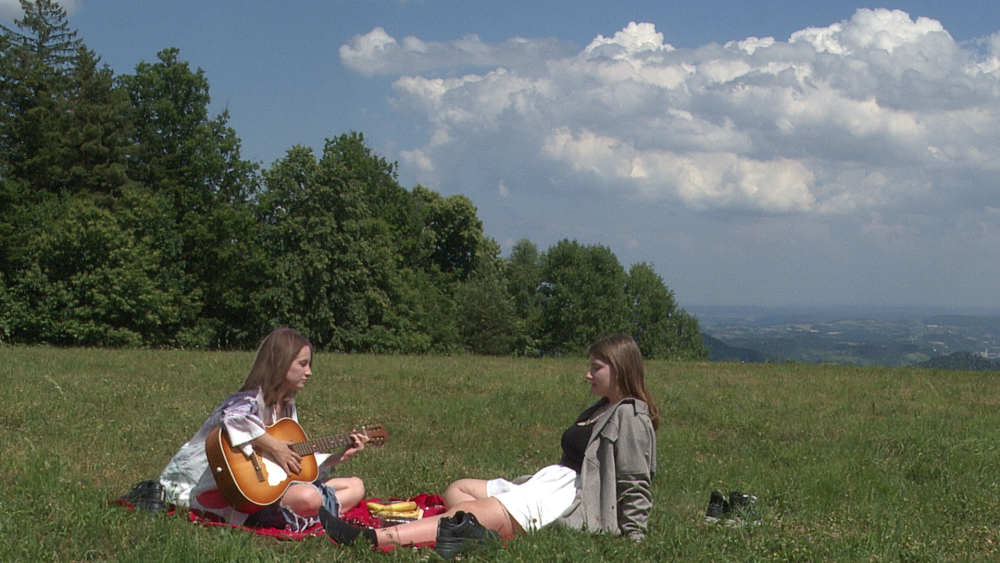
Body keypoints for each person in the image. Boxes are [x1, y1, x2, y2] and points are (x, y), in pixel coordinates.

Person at [321, 334, 657, 554]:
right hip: (551, 482)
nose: (587, 375)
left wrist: (635, 540)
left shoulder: (631, 416)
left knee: (468, 511)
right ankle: (476, 531)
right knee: (459, 489)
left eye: (595, 368)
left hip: (568, 496)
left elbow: (635, 482)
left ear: (620, 370)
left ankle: (373, 540)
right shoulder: (602, 408)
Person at [158, 328, 370, 531]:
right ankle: (305, 513)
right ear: (281, 363)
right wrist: (275, 446)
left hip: (270, 486)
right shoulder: (248, 400)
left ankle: (306, 513)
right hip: (232, 491)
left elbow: (293, 457)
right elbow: (233, 418)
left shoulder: (287, 405)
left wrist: (337, 457)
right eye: (303, 364)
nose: (309, 372)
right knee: (310, 497)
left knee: (356, 486)